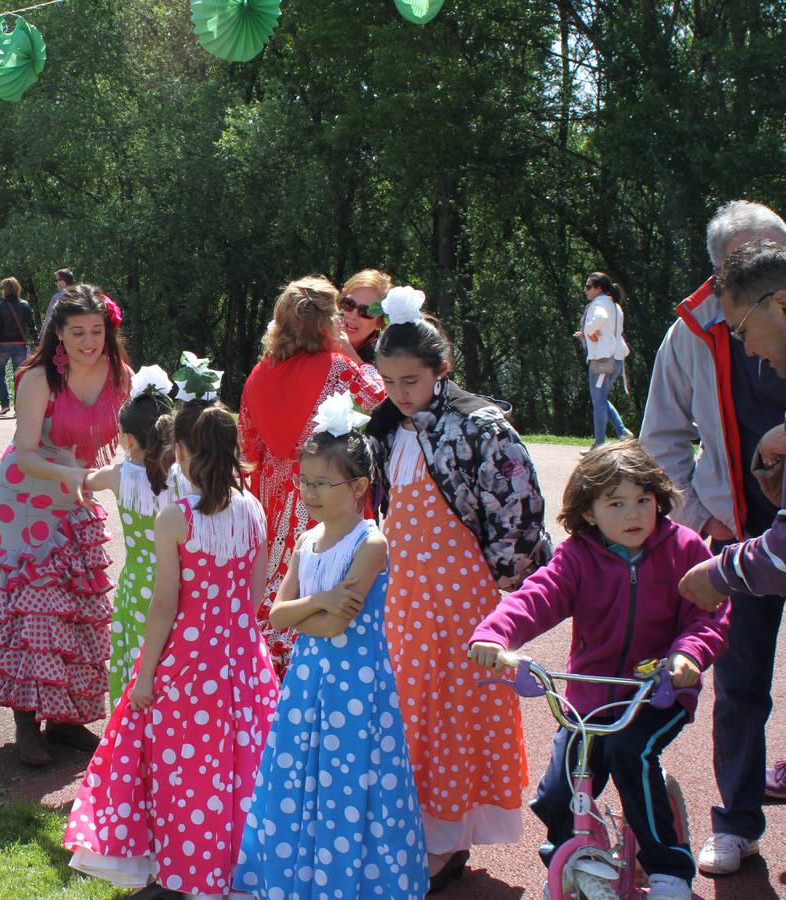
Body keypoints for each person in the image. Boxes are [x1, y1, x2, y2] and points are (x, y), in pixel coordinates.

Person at [472, 439, 729, 900]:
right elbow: (535, 598)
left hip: (658, 692)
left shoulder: (683, 549)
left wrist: (688, 656)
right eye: (616, 503)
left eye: (643, 500)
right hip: (589, 698)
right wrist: (495, 635)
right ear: (589, 512)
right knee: (557, 790)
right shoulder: (577, 556)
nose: (634, 514)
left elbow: (707, 615)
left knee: (631, 752)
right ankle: (571, 856)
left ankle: (669, 869)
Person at [367, 285, 550, 885]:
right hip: (404, 596)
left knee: (453, 710)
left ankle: (447, 837)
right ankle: (415, 825)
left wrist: (508, 579)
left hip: (460, 596)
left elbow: (519, 509)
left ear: (441, 369)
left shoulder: (479, 427)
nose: (398, 392)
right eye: (388, 381)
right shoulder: (390, 426)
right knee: (410, 711)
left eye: (410, 380)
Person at [64, 399, 278, 896]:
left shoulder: (174, 519)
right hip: (243, 658)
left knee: (181, 769)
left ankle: (182, 871)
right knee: (238, 764)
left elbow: (164, 605)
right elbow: (254, 592)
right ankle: (233, 869)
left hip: (188, 660)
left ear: (180, 451)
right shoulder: (255, 511)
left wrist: (143, 678)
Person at [640, 200, 786, 876]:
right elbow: (661, 442)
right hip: (741, 536)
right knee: (740, 683)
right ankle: (736, 823)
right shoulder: (691, 334)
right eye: (752, 252)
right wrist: (705, 517)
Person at [234, 392, 428, 898]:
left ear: (359, 486)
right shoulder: (305, 541)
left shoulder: (371, 543)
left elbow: (335, 627)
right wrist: (319, 601)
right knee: (302, 777)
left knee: (351, 783)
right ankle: (303, 878)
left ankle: (352, 883)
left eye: (323, 483)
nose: (310, 492)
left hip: (356, 690)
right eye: (306, 481)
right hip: (307, 683)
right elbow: (276, 614)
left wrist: (307, 614)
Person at [0, 285, 130, 765]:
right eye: (77, 332)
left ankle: (67, 718)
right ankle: (27, 720)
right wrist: (75, 476)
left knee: (79, 604)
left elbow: (131, 436)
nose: (89, 341)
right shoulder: (39, 378)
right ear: (58, 334)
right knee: (37, 607)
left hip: (77, 488)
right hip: (25, 494)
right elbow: (25, 454)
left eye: (97, 331)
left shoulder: (120, 375)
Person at [239, 275, 386, 677]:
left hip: (275, 495)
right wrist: (351, 356)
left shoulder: (257, 374)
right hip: (324, 494)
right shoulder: (338, 368)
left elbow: (248, 444)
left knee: (279, 585)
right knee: (323, 584)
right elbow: (385, 398)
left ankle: (269, 680)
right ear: (326, 323)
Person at [80, 364, 186, 700]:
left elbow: (87, 480)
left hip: (138, 583)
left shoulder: (118, 476)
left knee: (134, 656)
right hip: (180, 584)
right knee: (169, 659)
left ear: (126, 439)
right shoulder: (184, 479)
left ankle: (129, 738)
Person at [578, 271, 632, 448]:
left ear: (598, 288)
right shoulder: (615, 305)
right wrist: (591, 333)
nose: (585, 290)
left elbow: (599, 319)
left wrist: (588, 330)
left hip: (603, 359)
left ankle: (599, 443)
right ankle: (623, 433)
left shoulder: (599, 303)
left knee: (598, 401)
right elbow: (613, 329)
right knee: (600, 398)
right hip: (616, 358)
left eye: (588, 287)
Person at [0, 277, 38, 417]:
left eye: (1, 288)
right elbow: (32, 326)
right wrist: (37, 342)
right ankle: (19, 407)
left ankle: (5, 405)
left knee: (0, 373)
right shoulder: (25, 305)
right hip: (20, 345)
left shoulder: (0, 306)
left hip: (3, 345)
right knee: (19, 377)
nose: (0, 291)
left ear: (6, 289)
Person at [338, 267, 394, 365]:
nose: (353, 315)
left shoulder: (385, 362)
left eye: (365, 312)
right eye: (348, 304)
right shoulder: (313, 339)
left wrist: (349, 353)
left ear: (379, 323)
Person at [41, 268, 74, 337]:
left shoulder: (57, 297)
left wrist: (42, 335)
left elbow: (48, 317)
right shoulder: (78, 294)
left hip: (60, 335)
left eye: (57, 280)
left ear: (63, 281)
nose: (56, 283)